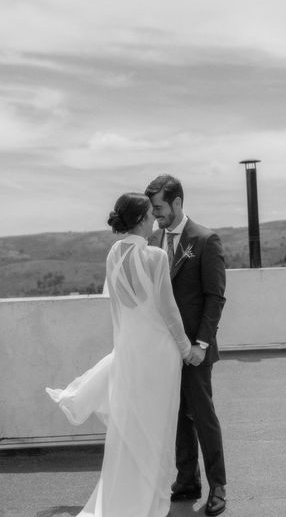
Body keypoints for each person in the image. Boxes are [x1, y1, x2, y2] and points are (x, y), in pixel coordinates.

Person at [46, 192, 194, 517]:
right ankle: (153, 501)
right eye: (150, 215)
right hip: (159, 355)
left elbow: (117, 310)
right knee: (159, 427)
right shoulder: (156, 257)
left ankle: (126, 499)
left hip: (129, 352)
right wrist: (186, 348)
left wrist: (123, 348)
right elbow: (169, 312)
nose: (155, 219)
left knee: (130, 429)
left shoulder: (113, 254)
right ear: (141, 220)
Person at [145, 174, 228, 516]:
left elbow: (215, 297)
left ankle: (218, 486)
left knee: (202, 415)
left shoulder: (206, 240)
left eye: (160, 207)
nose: (154, 214)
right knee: (178, 416)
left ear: (177, 203)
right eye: (152, 208)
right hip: (166, 349)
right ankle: (187, 480)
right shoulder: (153, 239)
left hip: (196, 349)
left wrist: (201, 344)